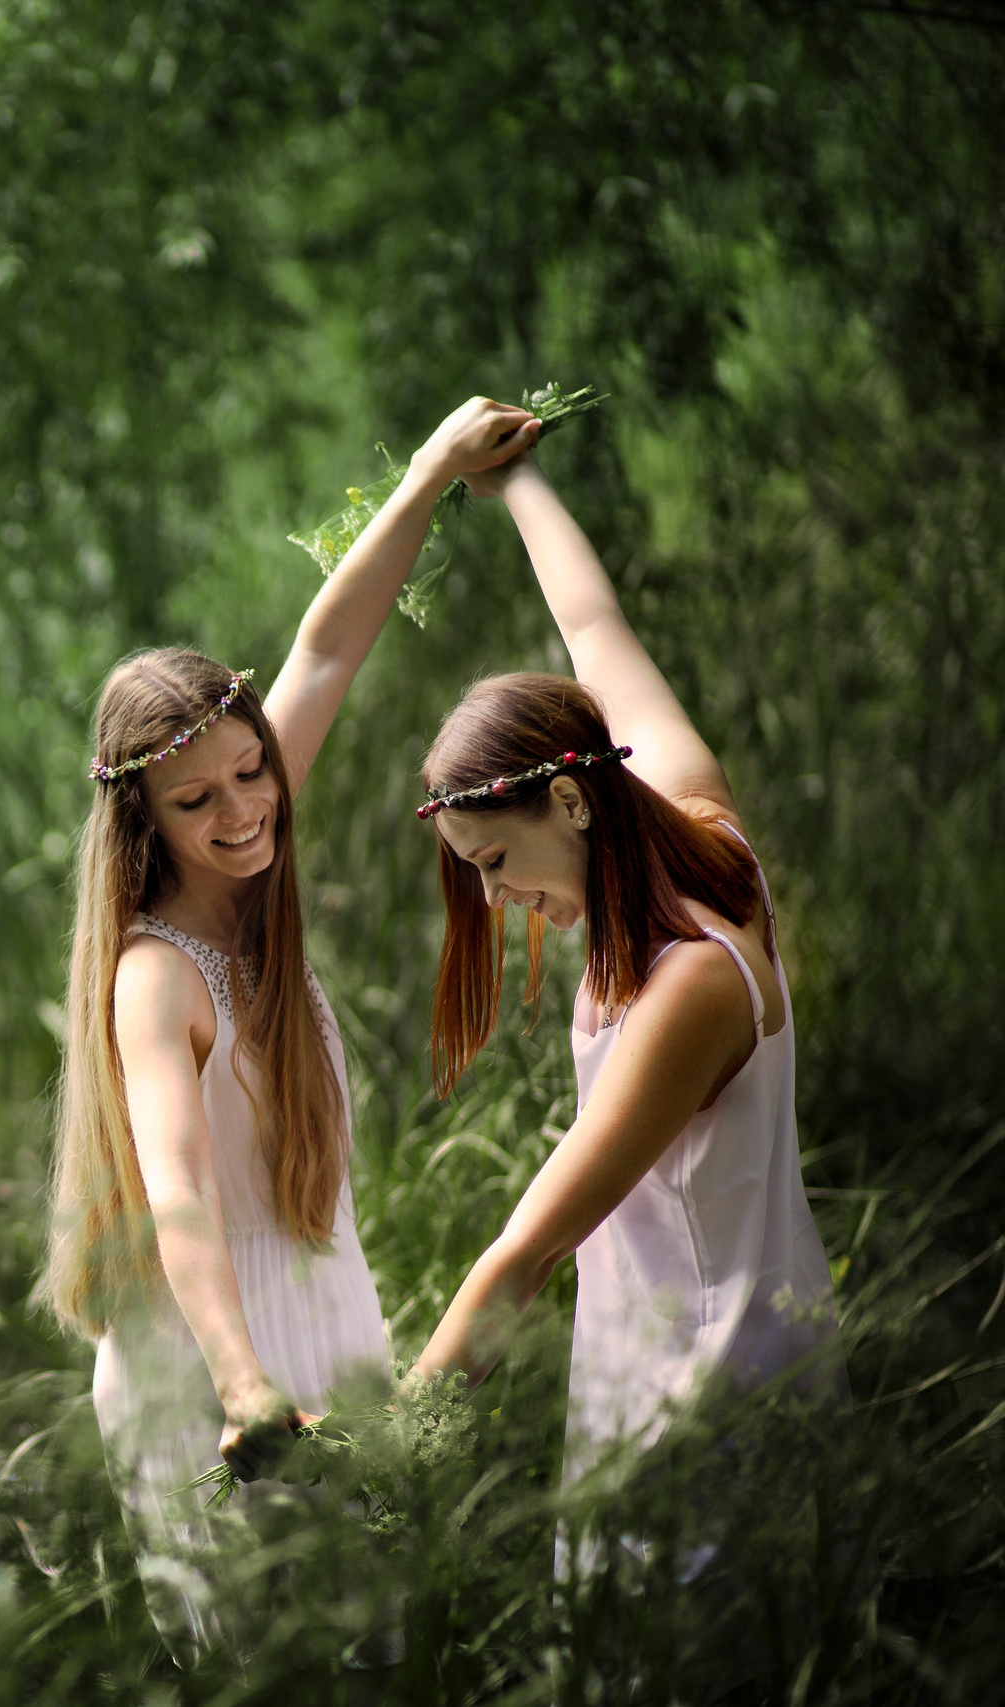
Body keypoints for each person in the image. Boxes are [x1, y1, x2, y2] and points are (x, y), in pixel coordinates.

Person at [42, 396, 544, 1648]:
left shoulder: (254, 883)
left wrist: (431, 471)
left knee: (369, 1659)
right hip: (212, 1364)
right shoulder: (157, 976)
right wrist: (241, 1382)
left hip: (329, 1322)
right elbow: (176, 1201)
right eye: (193, 799)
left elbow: (323, 651)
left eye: (252, 772)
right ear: (142, 822)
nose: (241, 811)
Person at [405, 452, 845, 1483]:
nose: (491, 899)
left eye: (495, 862)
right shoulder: (698, 826)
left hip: (705, 1388)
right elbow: (594, 629)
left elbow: (525, 1252)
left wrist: (384, 1441)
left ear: (568, 802)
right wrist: (513, 481)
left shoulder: (688, 984)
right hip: (671, 1351)